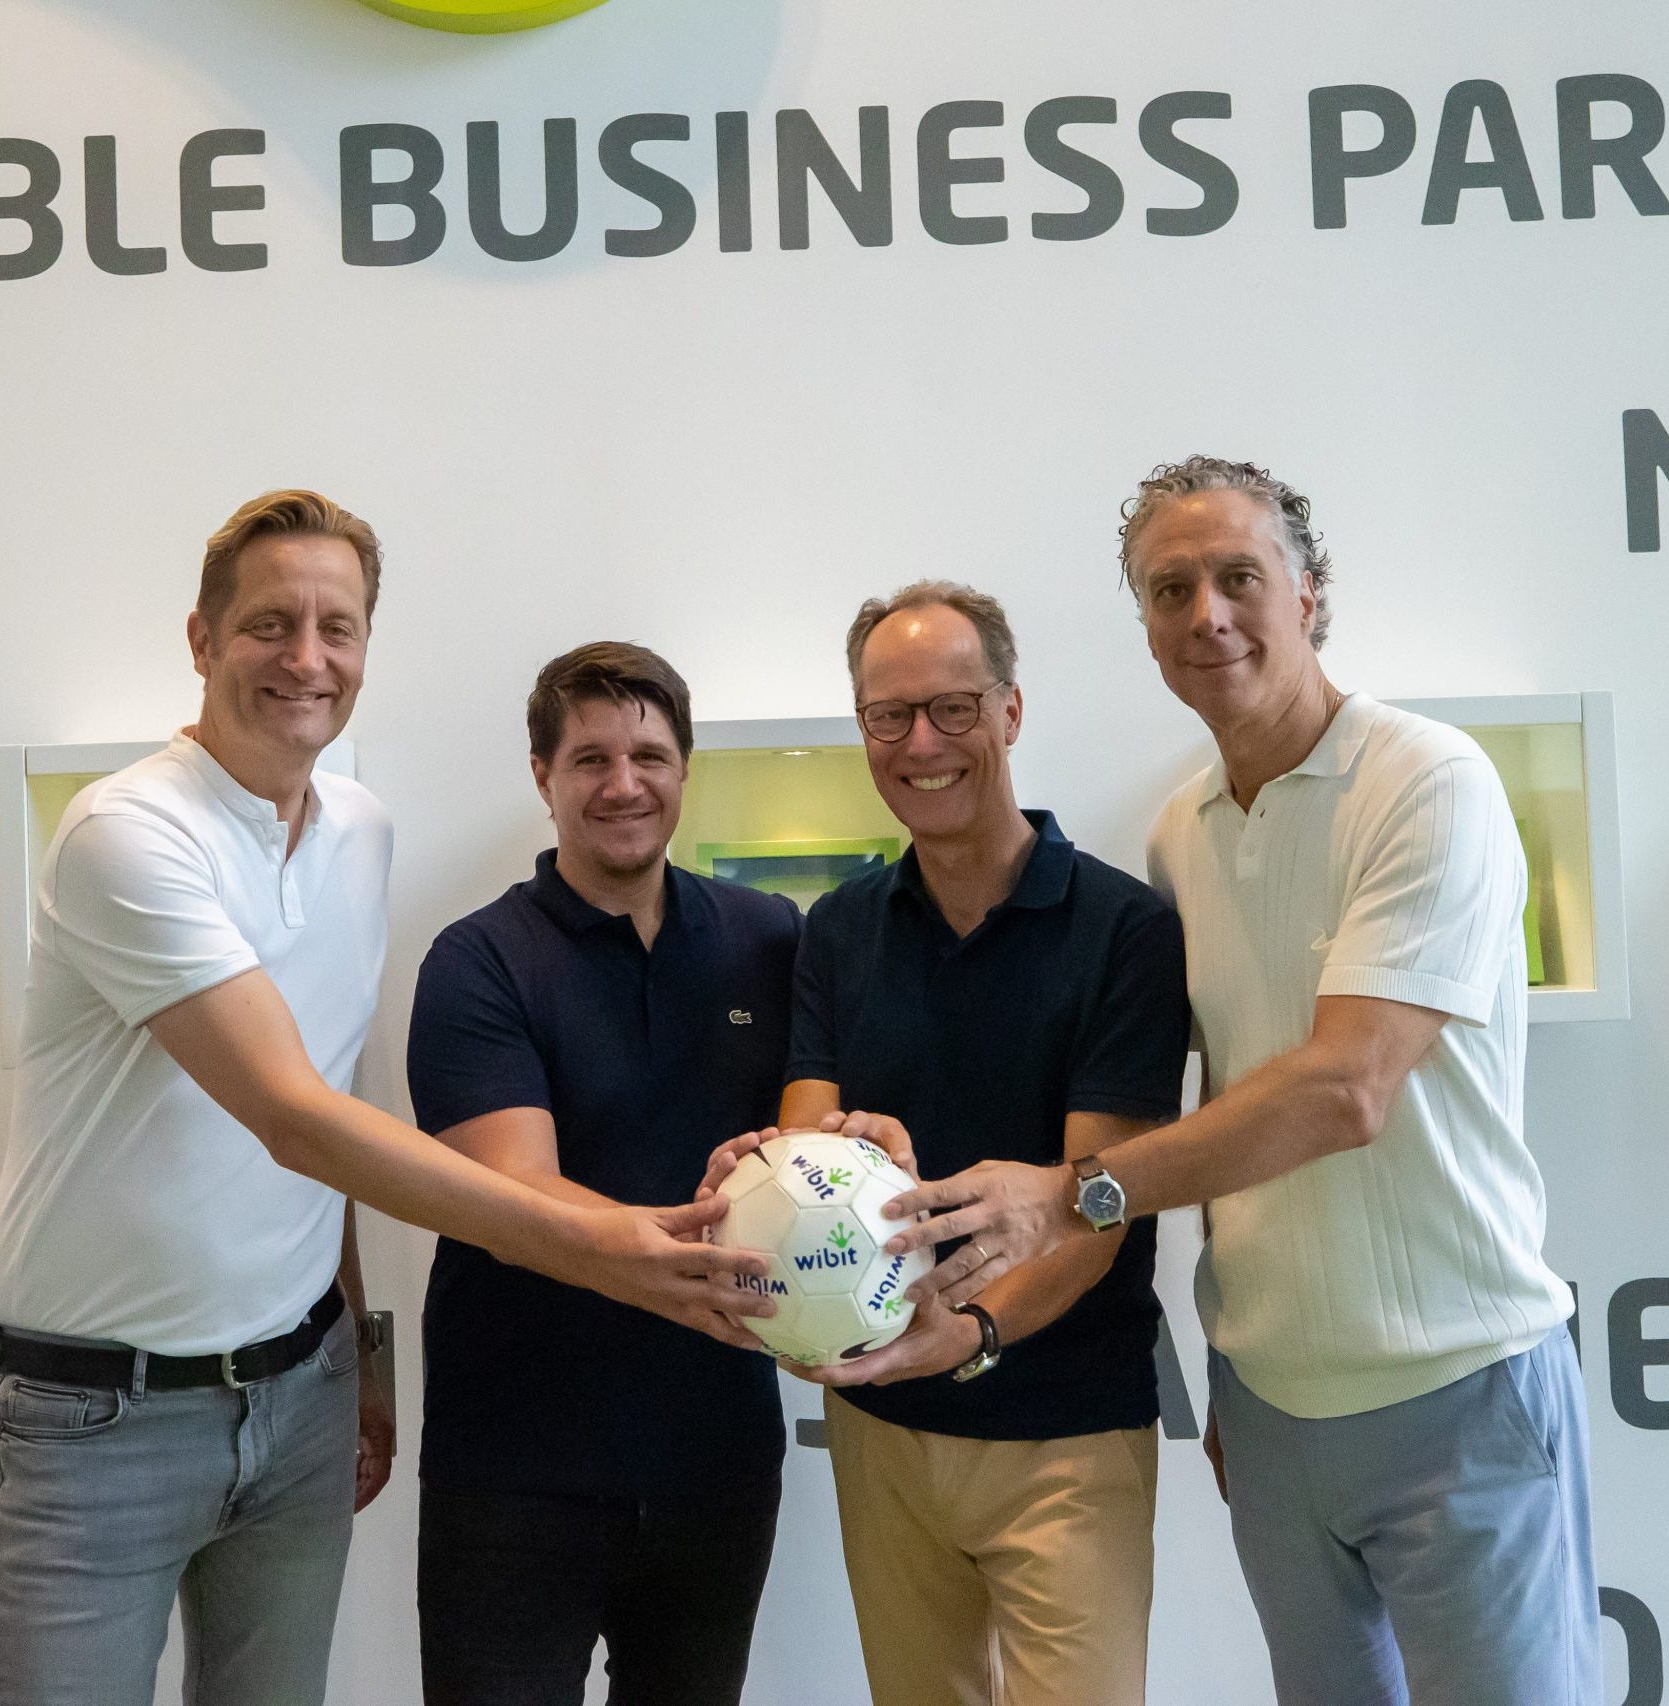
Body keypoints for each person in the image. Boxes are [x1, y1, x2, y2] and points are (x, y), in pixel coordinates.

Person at [0, 493, 769, 1706]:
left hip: (300, 1392)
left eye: (337, 627)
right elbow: (290, 1113)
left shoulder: (360, 830)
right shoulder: (124, 835)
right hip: (103, 1410)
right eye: (271, 623)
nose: (307, 657)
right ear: (201, 638)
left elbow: (329, 1100)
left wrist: (359, 1342)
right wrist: (618, 1241)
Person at [883, 458, 1599, 1705]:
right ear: (1148, 627)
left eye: (1238, 577)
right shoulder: (1182, 832)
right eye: (1171, 589)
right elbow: (1229, 1100)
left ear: (1308, 594)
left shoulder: (1430, 781)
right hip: (1272, 1407)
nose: (1206, 614)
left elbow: (1344, 1089)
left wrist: (1073, 1191)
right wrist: (1242, 1369)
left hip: (1459, 1389)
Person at [712, 582, 1190, 1706]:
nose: (921, 743)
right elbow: (807, 1140)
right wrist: (785, 1177)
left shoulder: (1124, 930)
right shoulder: (840, 927)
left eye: (953, 708)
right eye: (889, 715)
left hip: (1067, 1430)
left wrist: (969, 1334)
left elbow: (1098, 1205)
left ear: (1011, 710)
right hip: (883, 1425)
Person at [404, 642, 799, 1706]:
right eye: (590, 759)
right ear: (543, 776)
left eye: (650, 755)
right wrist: (709, 1246)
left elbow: (817, 1143)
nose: (624, 784)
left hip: (717, 1460)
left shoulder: (770, 937)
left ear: (685, 767)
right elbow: (517, 1194)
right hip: (515, 1468)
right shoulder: (478, 960)